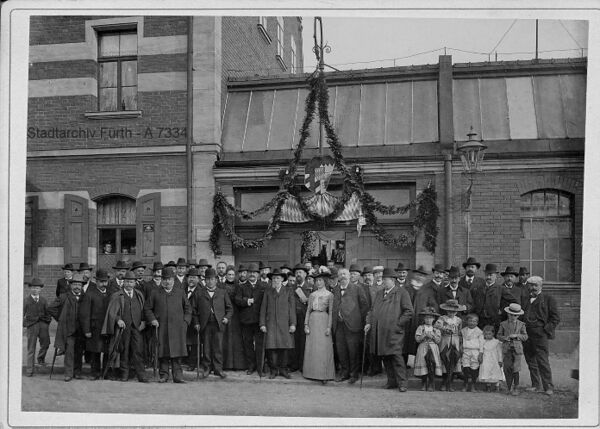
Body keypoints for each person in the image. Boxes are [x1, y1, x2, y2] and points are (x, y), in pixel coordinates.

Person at [364, 268, 414, 392]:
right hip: (380, 333)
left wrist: (398, 324)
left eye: (385, 279)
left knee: (396, 357)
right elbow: (372, 310)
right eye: (383, 279)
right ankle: (391, 382)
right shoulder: (379, 293)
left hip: (394, 332)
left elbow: (409, 311)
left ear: (392, 280)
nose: (383, 281)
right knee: (385, 357)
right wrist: (368, 322)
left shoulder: (402, 292)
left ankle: (402, 383)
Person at [144, 267, 192, 383]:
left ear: (173, 280)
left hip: (177, 328)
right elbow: (147, 309)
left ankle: (178, 376)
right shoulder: (155, 293)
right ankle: (164, 375)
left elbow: (188, 309)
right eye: (164, 279)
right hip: (162, 327)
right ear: (161, 280)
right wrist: (153, 319)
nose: (167, 282)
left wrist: (185, 322)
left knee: (177, 352)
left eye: (169, 279)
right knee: (163, 352)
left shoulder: (180, 292)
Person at [101, 271, 149, 383]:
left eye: (131, 282)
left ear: (135, 283)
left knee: (138, 351)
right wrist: (118, 319)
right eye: (127, 281)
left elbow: (143, 309)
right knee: (124, 351)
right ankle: (124, 374)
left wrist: (143, 321)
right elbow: (112, 312)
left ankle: (141, 375)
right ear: (123, 282)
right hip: (123, 329)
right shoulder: (117, 295)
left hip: (136, 327)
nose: (129, 284)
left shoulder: (139, 295)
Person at [522, 275, 560, 395]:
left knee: (542, 361)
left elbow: (555, 318)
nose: (532, 288)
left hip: (540, 334)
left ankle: (548, 387)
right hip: (527, 334)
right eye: (530, 285)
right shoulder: (525, 299)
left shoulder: (548, 299)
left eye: (535, 285)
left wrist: (545, 330)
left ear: (540, 286)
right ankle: (535, 385)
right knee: (530, 360)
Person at [192, 268, 233, 379]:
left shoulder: (222, 292)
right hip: (205, 324)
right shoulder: (199, 293)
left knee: (218, 347)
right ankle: (207, 368)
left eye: (212, 279)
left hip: (218, 324)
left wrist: (226, 318)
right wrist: (196, 323)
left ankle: (218, 369)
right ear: (205, 280)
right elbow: (194, 310)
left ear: (216, 280)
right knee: (206, 347)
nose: (210, 281)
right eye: (208, 279)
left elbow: (230, 308)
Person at [332, 267, 369, 384]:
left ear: (349, 276)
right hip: (339, 325)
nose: (342, 276)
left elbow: (364, 306)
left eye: (344, 274)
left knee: (353, 351)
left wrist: (358, 319)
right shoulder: (336, 289)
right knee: (341, 350)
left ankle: (354, 374)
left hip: (353, 326)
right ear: (338, 277)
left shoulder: (357, 288)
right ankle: (344, 373)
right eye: (340, 274)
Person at [48, 272, 86, 382]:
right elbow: (51, 308)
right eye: (75, 284)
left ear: (82, 286)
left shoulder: (85, 297)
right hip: (68, 330)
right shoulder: (64, 296)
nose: (77, 287)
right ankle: (68, 373)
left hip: (81, 330)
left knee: (79, 352)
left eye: (79, 284)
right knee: (69, 352)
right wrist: (60, 318)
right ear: (71, 285)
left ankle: (77, 372)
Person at [259, 268, 297, 379]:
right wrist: (262, 324)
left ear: (282, 279)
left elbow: (292, 309)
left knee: (284, 348)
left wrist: (293, 324)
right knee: (271, 348)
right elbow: (263, 308)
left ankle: (283, 370)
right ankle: (274, 370)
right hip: (271, 324)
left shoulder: (288, 291)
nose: (275, 280)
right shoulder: (268, 292)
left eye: (278, 278)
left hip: (284, 324)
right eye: (274, 278)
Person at [303, 270, 335, 384]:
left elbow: (331, 312)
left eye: (320, 280)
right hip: (313, 320)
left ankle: (324, 375)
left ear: (325, 281)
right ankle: (311, 373)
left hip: (323, 320)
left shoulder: (329, 295)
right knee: (312, 347)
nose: (318, 282)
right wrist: (306, 324)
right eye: (316, 280)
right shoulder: (312, 295)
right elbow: (308, 310)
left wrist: (329, 327)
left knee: (323, 348)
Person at [79, 269, 111, 380]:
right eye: (101, 281)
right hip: (95, 328)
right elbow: (85, 314)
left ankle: (106, 373)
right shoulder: (90, 295)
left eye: (105, 281)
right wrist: (87, 330)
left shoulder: (110, 294)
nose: (103, 284)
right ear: (96, 282)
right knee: (95, 351)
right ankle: (95, 373)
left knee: (107, 351)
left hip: (107, 327)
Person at [234, 262, 265, 375]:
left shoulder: (264, 286)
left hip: (259, 321)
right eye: (250, 272)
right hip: (246, 320)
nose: (252, 274)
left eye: (255, 272)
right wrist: (246, 301)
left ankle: (260, 367)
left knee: (260, 344)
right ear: (247, 274)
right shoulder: (241, 287)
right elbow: (237, 300)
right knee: (248, 344)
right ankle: (251, 366)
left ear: (258, 274)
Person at [406, 265, 439, 364]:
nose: (420, 277)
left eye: (422, 275)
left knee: (420, 342)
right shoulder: (406, 288)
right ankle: (406, 364)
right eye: (418, 274)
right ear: (414, 275)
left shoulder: (427, 291)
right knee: (406, 343)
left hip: (420, 321)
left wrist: (428, 313)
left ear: (425, 278)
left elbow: (433, 305)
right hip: (407, 321)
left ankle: (419, 364)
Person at [471, 263, 517, 331]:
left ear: (496, 276)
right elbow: (473, 303)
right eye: (487, 275)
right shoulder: (478, 288)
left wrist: (502, 311)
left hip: (494, 322)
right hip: (480, 322)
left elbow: (514, 301)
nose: (488, 277)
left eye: (491, 275)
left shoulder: (501, 289)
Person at [497, 303, 528, 395]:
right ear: (508, 314)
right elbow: (498, 335)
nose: (513, 317)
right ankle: (509, 387)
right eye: (511, 315)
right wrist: (505, 338)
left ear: (518, 316)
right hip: (506, 349)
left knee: (516, 368)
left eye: (515, 315)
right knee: (507, 368)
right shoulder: (503, 324)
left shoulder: (521, 324)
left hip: (517, 349)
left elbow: (525, 336)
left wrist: (517, 335)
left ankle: (516, 388)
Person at [23, 278, 51, 376]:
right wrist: (25, 324)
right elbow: (21, 314)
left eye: (37, 288)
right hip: (31, 326)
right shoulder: (26, 300)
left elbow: (48, 313)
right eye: (33, 288)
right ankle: (30, 369)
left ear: (41, 289)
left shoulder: (43, 300)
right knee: (31, 348)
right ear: (30, 288)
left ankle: (40, 358)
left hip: (43, 325)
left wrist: (46, 323)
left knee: (46, 343)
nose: (35, 290)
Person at [435, 299, 465, 391]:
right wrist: (445, 328)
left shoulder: (458, 320)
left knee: (454, 360)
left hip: (455, 340)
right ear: (446, 310)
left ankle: (450, 383)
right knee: (445, 359)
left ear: (456, 311)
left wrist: (460, 344)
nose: (451, 313)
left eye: (453, 311)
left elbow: (460, 332)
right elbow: (436, 326)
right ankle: (444, 383)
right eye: (449, 311)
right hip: (445, 340)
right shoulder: (442, 318)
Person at [221, 265, 246, 371]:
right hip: (225, 313)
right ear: (226, 275)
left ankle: (237, 365)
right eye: (229, 274)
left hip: (236, 315)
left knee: (236, 339)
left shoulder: (239, 286)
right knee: (225, 338)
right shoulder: (221, 286)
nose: (231, 276)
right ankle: (226, 364)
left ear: (235, 275)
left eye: (232, 274)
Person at [289, 263, 312, 372]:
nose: (298, 274)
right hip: (293, 318)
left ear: (305, 274)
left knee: (304, 342)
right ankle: (294, 364)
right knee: (293, 341)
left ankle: (303, 365)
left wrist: (307, 301)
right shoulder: (290, 288)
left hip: (305, 318)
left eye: (300, 272)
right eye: (297, 272)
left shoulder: (310, 287)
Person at [413, 307, 443, 392]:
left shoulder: (436, 329)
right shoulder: (421, 328)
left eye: (430, 318)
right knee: (423, 364)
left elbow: (438, 340)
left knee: (432, 364)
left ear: (433, 319)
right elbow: (417, 339)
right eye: (426, 318)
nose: (428, 320)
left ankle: (431, 383)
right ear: (424, 319)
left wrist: (432, 336)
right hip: (423, 347)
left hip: (433, 348)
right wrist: (424, 336)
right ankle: (423, 383)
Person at [184, 268, 202, 371]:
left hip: (196, 321)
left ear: (198, 279)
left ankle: (192, 363)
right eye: (190, 277)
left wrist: (197, 321)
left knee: (195, 343)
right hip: (184, 320)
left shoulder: (201, 291)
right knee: (184, 341)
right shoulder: (182, 289)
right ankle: (184, 360)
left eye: (194, 277)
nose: (191, 279)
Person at [460, 313, 484, 392]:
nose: (472, 323)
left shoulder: (479, 332)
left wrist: (481, 353)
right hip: (466, 350)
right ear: (467, 321)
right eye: (470, 321)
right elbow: (461, 341)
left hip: (475, 351)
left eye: (474, 321)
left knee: (474, 368)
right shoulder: (463, 331)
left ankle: (473, 385)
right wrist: (461, 348)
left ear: (477, 322)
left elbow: (481, 343)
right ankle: (465, 384)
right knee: (465, 367)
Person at [478, 325, 504, 392]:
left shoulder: (496, 342)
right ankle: (488, 386)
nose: (488, 336)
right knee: (486, 371)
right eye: (486, 334)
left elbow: (499, 352)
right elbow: (481, 350)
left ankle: (497, 386)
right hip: (486, 359)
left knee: (496, 371)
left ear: (493, 333)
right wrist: (481, 357)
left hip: (494, 359)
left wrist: (500, 360)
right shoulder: (483, 342)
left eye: (489, 334)